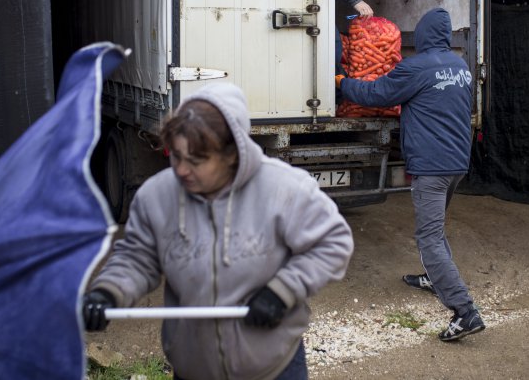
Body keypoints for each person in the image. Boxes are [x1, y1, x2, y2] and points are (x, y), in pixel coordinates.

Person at [82, 83, 354, 380]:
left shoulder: (284, 188)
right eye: (176, 156)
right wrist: (108, 293)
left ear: (231, 154)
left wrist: (282, 292)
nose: (181, 170)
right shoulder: (155, 197)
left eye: (196, 161)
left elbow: (332, 242)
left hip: (274, 368)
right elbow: (137, 258)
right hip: (194, 369)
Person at [335, 7, 484, 342]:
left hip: (431, 167)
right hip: (457, 163)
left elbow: (376, 94)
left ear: (424, 34)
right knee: (436, 228)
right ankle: (434, 278)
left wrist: (344, 83)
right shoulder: (460, 66)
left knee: (429, 236)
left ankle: (465, 311)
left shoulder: (416, 67)